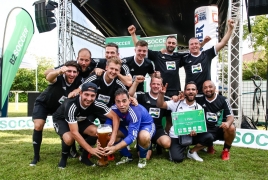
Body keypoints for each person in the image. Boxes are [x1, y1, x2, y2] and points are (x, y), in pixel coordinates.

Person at [52, 82, 120, 168]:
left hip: (80, 119)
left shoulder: (97, 103)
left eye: (92, 95)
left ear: (96, 95)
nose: (89, 98)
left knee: (96, 132)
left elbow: (115, 117)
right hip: (62, 120)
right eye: (86, 94)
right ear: (80, 93)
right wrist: (90, 149)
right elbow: (74, 132)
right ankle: (64, 158)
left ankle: (83, 157)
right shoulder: (72, 105)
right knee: (69, 138)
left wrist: (113, 137)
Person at [30, 61, 82, 166]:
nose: (71, 74)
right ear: (65, 71)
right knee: (38, 125)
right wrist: (58, 71)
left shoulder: (78, 82)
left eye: (74, 72)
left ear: (77, 73)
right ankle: (36, 156)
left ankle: (72, 151)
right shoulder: (59, 77)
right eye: (69, 71)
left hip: (59, 108)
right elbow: (49, 77)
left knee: (68, 126)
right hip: (44, 104)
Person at [157, 81, 214, 162]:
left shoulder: (199, 108)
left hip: (191, 135)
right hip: (177, 136)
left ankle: (192, 152)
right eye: (188, 89)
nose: (191, 91)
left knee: (209, 137)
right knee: (177, 159)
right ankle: (181, 147)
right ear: (184, 92)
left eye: (193, 89)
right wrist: (162, 94)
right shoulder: (176, 102)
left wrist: (196, 132)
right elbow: (160, 105)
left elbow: (199, 126)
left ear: (196, 92)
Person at [104, 88, 155, 168]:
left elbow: (132, 137)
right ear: (115, 101)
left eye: (124, 101)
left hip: (145, 126)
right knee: (110, 134)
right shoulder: (113, 108)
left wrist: (115, 148)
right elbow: (108, 123)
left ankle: (142, 158)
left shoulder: (135, 110)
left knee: (144, 137)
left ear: (129, 100)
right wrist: (106, 136)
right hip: (129, 126)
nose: (121, 105)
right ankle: (127, 156)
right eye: (118, 101)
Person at [181, 19, 235, 94]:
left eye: (196, 43)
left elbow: (223, 43)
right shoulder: (184, 58)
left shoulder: (207, 54)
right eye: (192, 44)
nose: (194, 46)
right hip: (191, 94)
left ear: (199, 45)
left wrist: (230, 29)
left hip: (206, 93)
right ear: (189, 47)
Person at [69, 57, 128, 122]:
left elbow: (127, 96)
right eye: (111, 68)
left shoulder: (118, 83)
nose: (113, 71)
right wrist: (73, 93)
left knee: (109, 127)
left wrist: (133, 99)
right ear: (106, 67)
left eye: (116, 70)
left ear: (119, 71)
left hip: (106, 111)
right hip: (91, 109)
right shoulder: (95, 77)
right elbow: (80, 88)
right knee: (86, 126)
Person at [129, 75, 171, 159]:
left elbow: (168, 119)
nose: (156, 86)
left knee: (167, 143)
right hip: (145, 129)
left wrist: (167, 132)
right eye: (153, 84)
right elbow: (129, 94)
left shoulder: (166, 99)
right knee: (146, 157)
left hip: (158, 129)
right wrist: (136, 82)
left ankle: (157, 144)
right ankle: (143, 141)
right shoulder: (142, 96)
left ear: (161, 85)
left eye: (158, 84)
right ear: (150, 84)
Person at [196, 80, 236, 160]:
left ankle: (226, 150)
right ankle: (209, 146)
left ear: (215, 88)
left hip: (220, 128)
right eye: (205, 88)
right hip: (206, 130)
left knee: (231, 128)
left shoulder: (223, 100)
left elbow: (230, 116)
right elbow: (187, 98)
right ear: (203, 90)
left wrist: (227, 123)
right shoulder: (199, 99)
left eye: (210, 87)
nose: (208, 89)